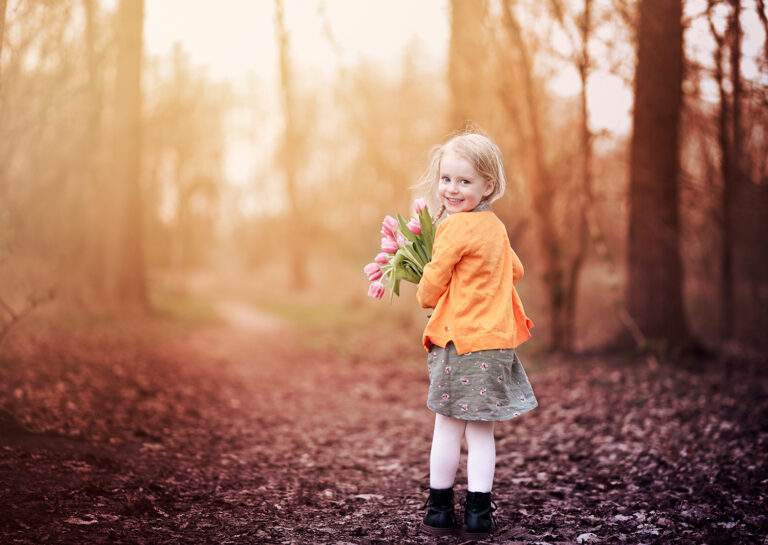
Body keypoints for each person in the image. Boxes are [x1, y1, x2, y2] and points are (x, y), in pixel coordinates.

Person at [414, 131, 537, 537]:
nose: (452, 189)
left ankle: (438, 509)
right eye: (446, 179)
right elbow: (514, 270)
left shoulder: (454, 228)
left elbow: (432, 283)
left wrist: (427, 291)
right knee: (482, 429)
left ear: (488, 185)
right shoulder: (495, 227)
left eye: (464, 181)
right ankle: (479, 514)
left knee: (448, 425)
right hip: (496, 342)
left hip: (460, 342)